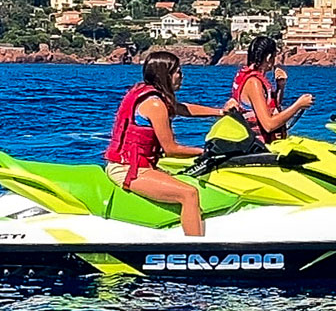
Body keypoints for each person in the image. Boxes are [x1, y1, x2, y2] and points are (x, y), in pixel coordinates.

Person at [104, 50, 227, 237]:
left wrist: (220, 112)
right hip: (128, 169)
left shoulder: (151, 96)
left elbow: (181, 109)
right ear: (166, 75)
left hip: (139, 166)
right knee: (189, 194)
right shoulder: (155, 105)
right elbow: (171, 149)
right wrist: (205, 152)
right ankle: (196, 252)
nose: (182, 76)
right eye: (178, 72)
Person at [231, 35, 314, 143]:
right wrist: (298, 105)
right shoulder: (253, 83)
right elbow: (268, 125)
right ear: (269, 58)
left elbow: (267, 109)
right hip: (258, 147)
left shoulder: (254, 78)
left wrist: (280, 87)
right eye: (274, 57)